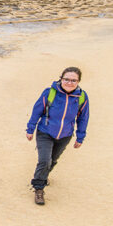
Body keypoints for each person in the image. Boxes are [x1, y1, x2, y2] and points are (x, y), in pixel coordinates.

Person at [25, 67, 89, 205]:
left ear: (78, 81)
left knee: (53, 160)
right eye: (66, 79)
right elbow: (37, 111)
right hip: (45, 132)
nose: (69, 83)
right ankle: (39, 188)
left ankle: (43, 176)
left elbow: (83, 118)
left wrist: (80, 137)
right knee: (45, 161)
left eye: (74, 80)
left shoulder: (82, 97)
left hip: (65, 135)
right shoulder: (50, 93)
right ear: (61, 78)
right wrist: (30, 129)